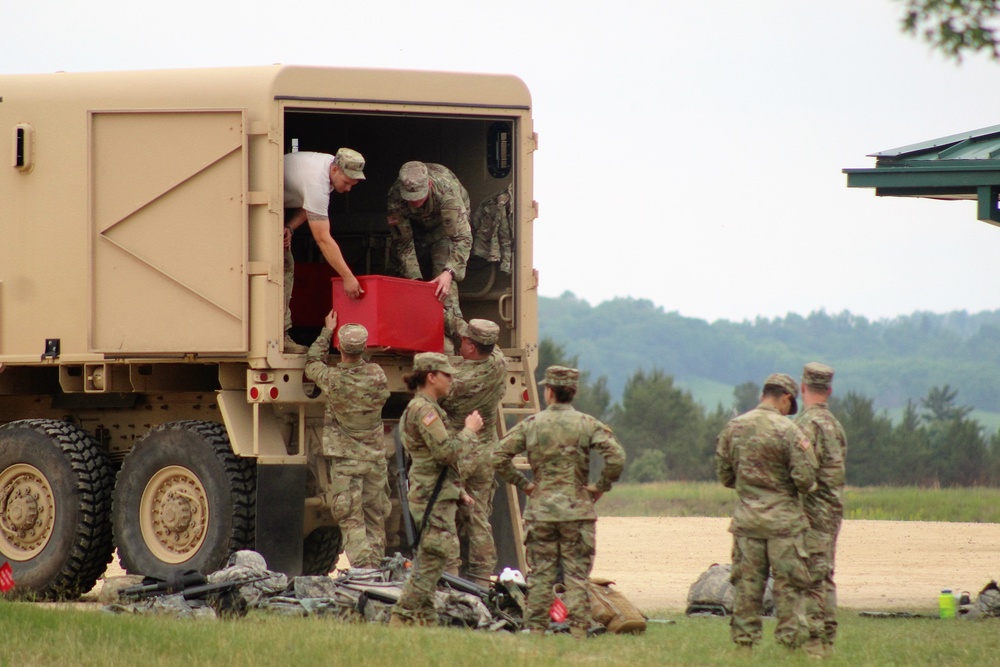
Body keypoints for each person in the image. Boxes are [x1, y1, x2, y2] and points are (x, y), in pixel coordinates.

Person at [492, 366, 626, 639]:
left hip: (541, 512)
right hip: (577, 511)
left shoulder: (532, 424)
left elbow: (498, 456)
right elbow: (617, 457)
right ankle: (578, 631)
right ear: (573, 392)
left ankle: (536, 630)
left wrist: (525, 484)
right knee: (576, 576)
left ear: (549, 391)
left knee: (541, 575)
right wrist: (599, 487)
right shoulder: (587, 424)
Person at [715, 373, 818, 653]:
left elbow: (725, 476)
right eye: (789, 404)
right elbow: (806, 480)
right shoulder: (790, 431)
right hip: (784, 526)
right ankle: (790, 648)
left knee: (747, 589)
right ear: (785, 398)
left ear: (764, 395)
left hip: (748, 523)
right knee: (789, 588)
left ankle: (744, 647)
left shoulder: (734, 427)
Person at [389, 353, 483, 626]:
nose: (452, 380)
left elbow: (433, 460)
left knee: (432, 561)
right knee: (432, 561)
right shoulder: (424, 410)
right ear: (431, 377)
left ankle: (426, 621)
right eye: (447, 375)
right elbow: (444, 452)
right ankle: (401, 617)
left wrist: (459, 490)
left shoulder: (424, 408)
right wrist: (469, 430)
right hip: (432, 498)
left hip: (435, 493)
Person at [304, 311, 390, 568]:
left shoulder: (334, 379)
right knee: (375, 516)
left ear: (339, 348)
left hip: (347, 462)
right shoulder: (377, 375)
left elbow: (312, 362)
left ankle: (363, 571)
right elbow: (365, 363)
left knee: (351, 517)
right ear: (363, 349)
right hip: (374, 459)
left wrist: (326, 331)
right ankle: (376, 571)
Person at [440, 319, 507, 581]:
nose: (460, 343)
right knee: (479, 517)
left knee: (445, 515)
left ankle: (451, 574)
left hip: (461, 452)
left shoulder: (458, 381)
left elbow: (434, 393)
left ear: (471, 346)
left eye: (464, 340)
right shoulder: (498, 362)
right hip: (487, 451)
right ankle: (481, 578)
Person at [283, 148, 366, 354]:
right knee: (283, 268)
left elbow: (309, 206)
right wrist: (347, 276)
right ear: (336, 169)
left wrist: (290, 227)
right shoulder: (316, 181)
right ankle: (279, 336)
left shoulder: (327, 167)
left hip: (272, 203)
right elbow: (322, 239)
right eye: (346, 183)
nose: (347, 189)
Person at [386, 161, 472, 350]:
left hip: (446, 229)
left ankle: (461, 343)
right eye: (410, 198)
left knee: (442, 284)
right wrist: (415, 282)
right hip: (416, 232)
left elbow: (462, 239)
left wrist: (448, 272)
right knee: (403, 278)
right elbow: (403, 243)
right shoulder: (395, 198)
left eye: (419, 197)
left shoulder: (447, 191)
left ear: (429, 185)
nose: (415, 202)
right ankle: (414, 338)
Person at [795, 362, 847, 658]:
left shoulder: (806, 425)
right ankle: (827, 640)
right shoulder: (835, 426)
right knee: (825, 575)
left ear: (803, 388)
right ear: (828, 390)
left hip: (812, 512)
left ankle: (814, 644)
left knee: (812, 578)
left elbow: (804, 474)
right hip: (832, 511)